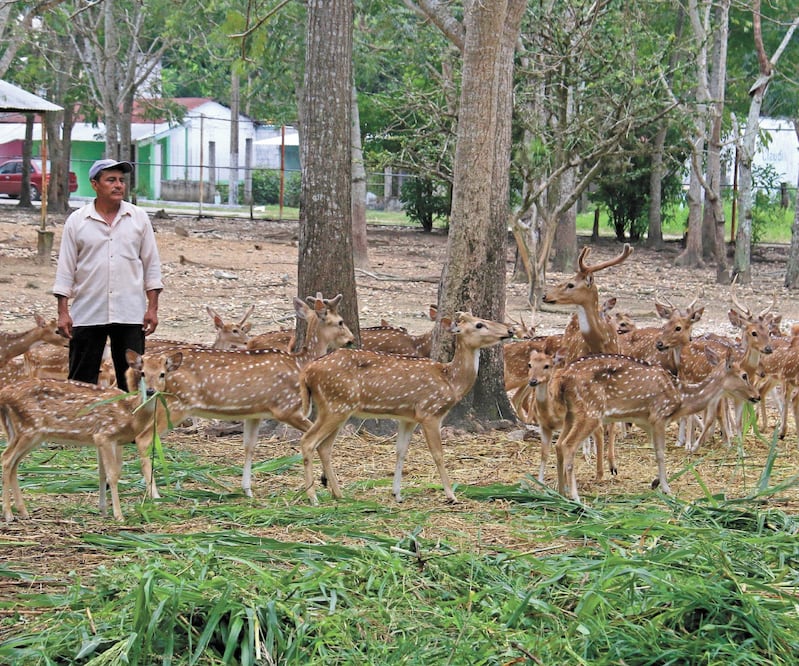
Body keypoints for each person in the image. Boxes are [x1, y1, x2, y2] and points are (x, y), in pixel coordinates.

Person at [53, 159, 163, 391]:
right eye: (111, 180)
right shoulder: (77, 221)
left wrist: (152, 308)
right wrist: (63, 312)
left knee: (132, 381)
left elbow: (151, 265)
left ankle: (131, 426)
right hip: (88, 311)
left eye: (122, 181)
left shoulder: (138, 218)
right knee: (81, 382)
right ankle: (83, 426)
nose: (118, 185)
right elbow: (65, 269)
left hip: (130, 312)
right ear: (95, 184)